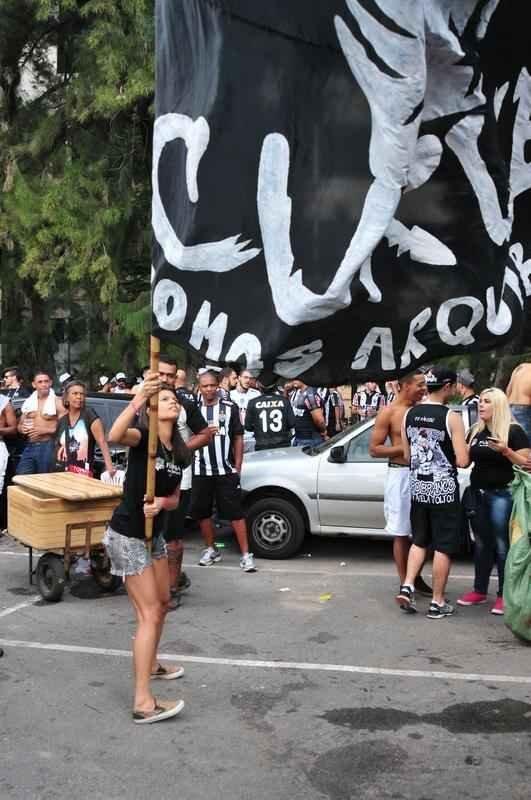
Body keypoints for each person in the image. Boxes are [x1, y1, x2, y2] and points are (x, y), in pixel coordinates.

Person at [104, 376, 204, 724]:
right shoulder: (142, 438)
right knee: (148, 613)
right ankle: (143, 701)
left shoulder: (179, 451)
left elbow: (175, 498)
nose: (173, 402)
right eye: (165, 399)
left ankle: (154, 663)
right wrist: (135, 401)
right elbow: (115, 435)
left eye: (175, 399)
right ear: (152, 408)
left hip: (155, 537)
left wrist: (161, 502)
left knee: (163, 604)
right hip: (127, 534)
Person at [396, 367, 469, 619]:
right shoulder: (452, 417)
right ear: (447, 386)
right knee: (443, 546)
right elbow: (462, 460)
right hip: (444, 490)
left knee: (419, 540)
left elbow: (406, 456)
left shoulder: (409, 414)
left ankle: (407, 585)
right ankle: (437, 602)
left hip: (418, 487)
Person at [457, 388, 530, 615]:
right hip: (478, 493)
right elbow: (465, 462)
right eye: (480, 401)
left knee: (502, 544)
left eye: (487, 402)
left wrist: (506, 450)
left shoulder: (514, 431)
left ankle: (503, 595)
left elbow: (527, 463)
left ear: (498, 405)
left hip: (503, 494)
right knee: (481, 543)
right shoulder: (476, 431)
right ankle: (479, 590)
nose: (481, 405)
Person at [369, 370, 432, 596]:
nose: (424, 388)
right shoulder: (388, 412)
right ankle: (405, 582)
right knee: (401, 532)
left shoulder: (423, 411)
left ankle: (415, 576)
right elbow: (375, 449)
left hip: (424, 473)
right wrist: (406, 447)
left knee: (426, 531)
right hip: (400, 474)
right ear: (405, 386)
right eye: (420, 385)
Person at [156, 355, 211, 606]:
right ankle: (159, 581)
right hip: (149, 479)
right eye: (162, 374)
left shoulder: (184, 403)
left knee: (173, 537)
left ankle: (172, 587)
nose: (166, 380)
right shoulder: (143, 400)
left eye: (170, 375)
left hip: (180, 478)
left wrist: (182, 451)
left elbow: (205, 434)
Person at [191, 370, 256, 572]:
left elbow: (237, 436)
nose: (209, 389)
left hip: (225, 470)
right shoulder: (192, 409)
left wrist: (237, 466)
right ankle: (211, 549)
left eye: (212, 385)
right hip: (200, 470)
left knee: (235, 513)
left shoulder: (229, 407)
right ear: (199, 387)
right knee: (203, 513)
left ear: (218, 385)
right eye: (205, 386)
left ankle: (246, 555)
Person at [55, 381, 115, 477]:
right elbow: (58, 447)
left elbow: (102, 441)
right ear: (66, 397)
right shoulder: (62, 421)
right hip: (62, 472)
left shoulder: (89, 415)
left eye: (81, 394)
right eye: (75, 393)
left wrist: (109, 467)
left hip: (84, 473)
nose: (79, 397)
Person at [16, 371, 64, 475]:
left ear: (50, 383)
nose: (44, 384)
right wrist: (22, 428)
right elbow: (19, 425)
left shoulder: (58, 402)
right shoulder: (29, 402)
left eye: (46, 381)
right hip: (30, 445)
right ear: (34, 384)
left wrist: (44, 430)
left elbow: (67, 428)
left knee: (45, 480)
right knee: (21, 477)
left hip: (49, 445)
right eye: (40, 382)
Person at [245, 382, 295, 450]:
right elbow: (292, 423)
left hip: (262, 445)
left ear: (259, 387)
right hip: (283, 444)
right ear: (275, 387)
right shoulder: (284, 401)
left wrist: (258, 427)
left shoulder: (252, 402)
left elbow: (248, 427)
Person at [230, 369, 260, 453]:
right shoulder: (230, 395)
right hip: (236, 438)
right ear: (239, 378)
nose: (248, 380)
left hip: (252, 438)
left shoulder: (256, 394)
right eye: (245, 377)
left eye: (250, 378)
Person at [291, 380, 327, 447]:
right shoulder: (298, 393)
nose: (294, 380)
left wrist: (323, 431)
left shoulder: (310, 394)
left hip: (310, 440)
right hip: (299, 437)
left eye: (297, 378)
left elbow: (319, 420)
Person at [506, 363, 531, 439]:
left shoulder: (521, 367)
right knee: (525, 447)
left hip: (509, 408)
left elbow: (508, 391)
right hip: (524, 411)